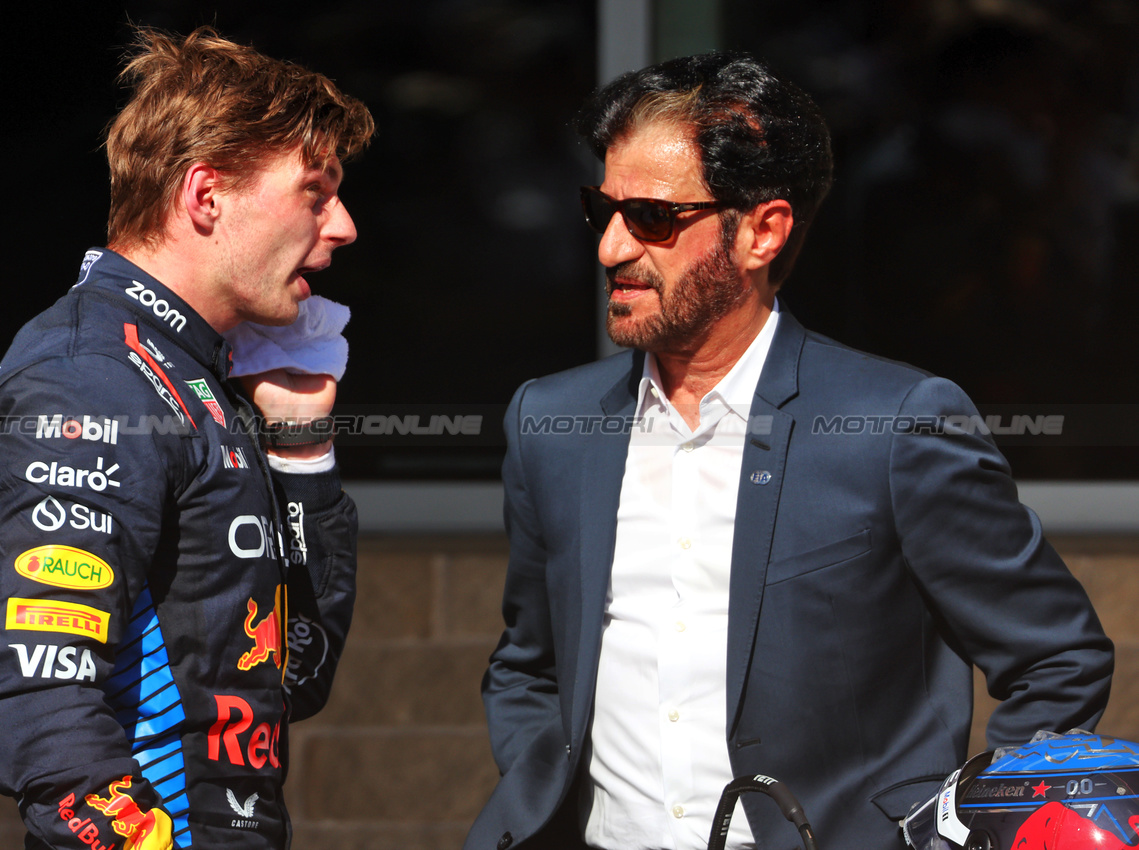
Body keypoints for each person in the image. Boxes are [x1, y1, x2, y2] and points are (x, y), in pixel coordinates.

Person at [467, 52, 1113, 850]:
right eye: (599, 210)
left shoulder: (898, 423)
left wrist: (965, 831)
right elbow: (530, 662)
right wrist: (535, 787)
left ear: (762, 231)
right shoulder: (550, 422)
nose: (610, 248)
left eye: (652, 218)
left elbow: (1055, 658)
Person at [0, 26, 373, 850]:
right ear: (205, 196)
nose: (344, 226)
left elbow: (292, 676)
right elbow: (38, 702)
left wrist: (299, 450)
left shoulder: (192, 374)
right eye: (315, 193)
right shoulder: (89, 379)